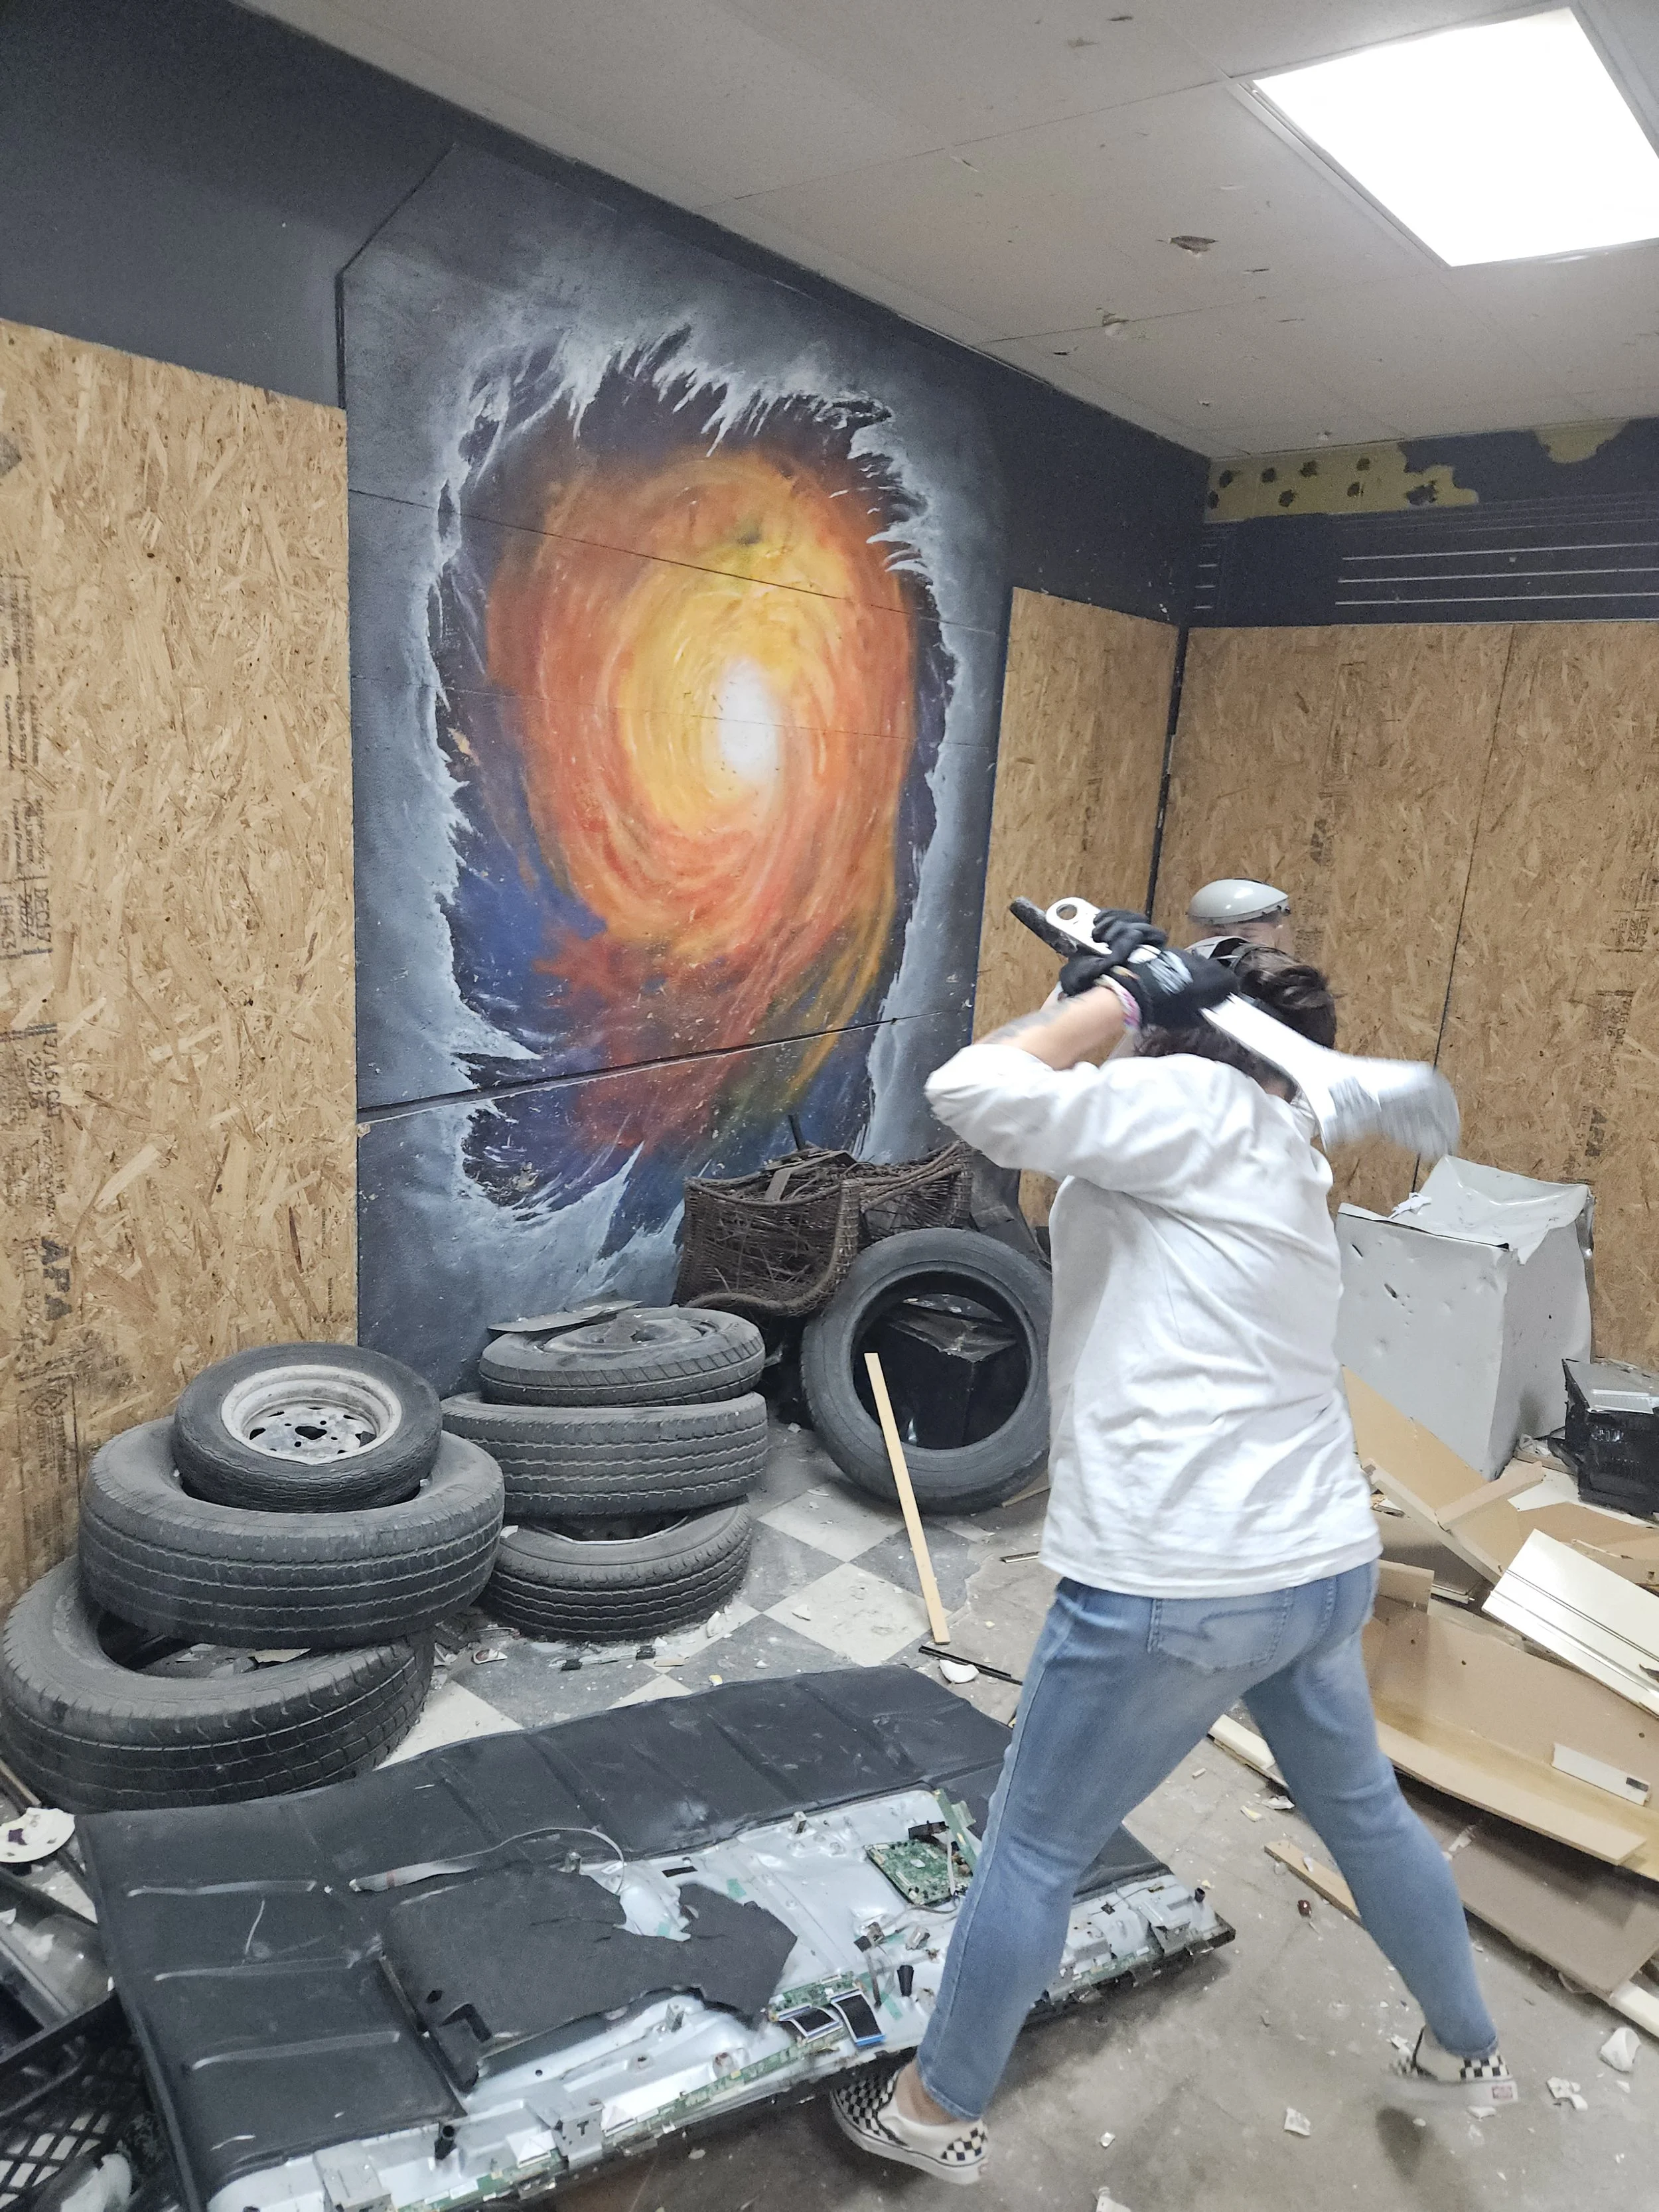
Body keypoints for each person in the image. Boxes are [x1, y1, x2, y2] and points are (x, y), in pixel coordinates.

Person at [830, 913, 1513, 2185]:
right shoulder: (1277, 1147)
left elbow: (971, 1086)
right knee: (1363, 1811)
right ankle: (1468, 2044)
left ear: (1189, 1041)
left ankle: (932, 2109)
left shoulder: (1190, 1107)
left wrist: (1128, 1005)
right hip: (1315, 1562)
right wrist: (1117, 996)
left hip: (1177, 1583)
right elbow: (1056, 1101)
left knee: (1033, 1846)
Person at [1187, 875, 1294, 952]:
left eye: (1248, 936)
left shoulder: (1291, 981)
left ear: (1279, 935)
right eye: (1218, 936)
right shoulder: (1196, 981)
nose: (1232, 946)